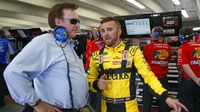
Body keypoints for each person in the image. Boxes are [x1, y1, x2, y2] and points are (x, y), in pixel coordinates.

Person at [87, 17, 188, 112]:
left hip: (129, 107)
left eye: (109, 29)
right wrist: (96, 84)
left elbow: (148, 77)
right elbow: (89, 82)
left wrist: (165, 97)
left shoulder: (133, 51)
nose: (106, 34)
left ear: (119, 31)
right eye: (103, 31)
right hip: (106, 107)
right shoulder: (96, 55)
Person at [4, 2, 88, 112]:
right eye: (73, 21)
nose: (78, 25)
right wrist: (37, 103)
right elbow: (13, 73)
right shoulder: (44, 42)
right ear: (58, 21)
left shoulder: (68, 44)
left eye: (78, 21)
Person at [143, 26, 172, 112]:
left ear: (155, 35)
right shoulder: (169, 48)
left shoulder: (147, 47)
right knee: (163, 103)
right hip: (163, 80)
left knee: (147, 104)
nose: (150, 35)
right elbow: (168, 60)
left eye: (152, 33)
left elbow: (143, 62)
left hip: (150, 80)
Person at [177, 26, 200, 112]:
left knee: (187, 108)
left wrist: (196, 80)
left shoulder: (182, 48)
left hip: (188, 83)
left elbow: (185, 66)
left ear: (182, 37)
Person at [0, 30, 15, 107]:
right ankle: (1, 102)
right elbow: (12, 54)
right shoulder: (7, 42)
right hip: (3, 65)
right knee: (2, 84)